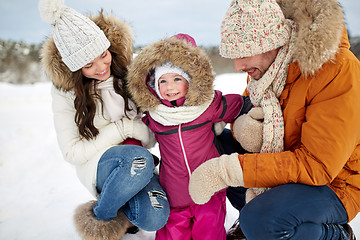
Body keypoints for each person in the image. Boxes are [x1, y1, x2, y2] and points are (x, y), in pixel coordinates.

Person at [189, 0, 360, 239]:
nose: (238, 65)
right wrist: (241, 126)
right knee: (213, 141)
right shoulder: (267, 71)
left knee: (261, 220)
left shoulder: (337, 69)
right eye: (234, 55)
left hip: (334, 184)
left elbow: (317, 166)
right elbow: (248, 117)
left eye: (245, 53)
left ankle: (334, 234)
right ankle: (257, 218)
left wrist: (228, 171)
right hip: (286, 165)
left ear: (273, 42)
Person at [38, 0, 169, 239]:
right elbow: (72, 153)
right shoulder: (65, 93)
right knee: (138, 159)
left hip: (141, 159)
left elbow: (152, 132)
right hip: (99, 164)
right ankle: (102, 214)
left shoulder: (132, 72)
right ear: (76, 68)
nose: (101, 67)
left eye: (103, 55)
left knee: (155, 217)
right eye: (88, 65)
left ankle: (123, 201)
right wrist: (123, 129)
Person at [126, 34, 251, 240]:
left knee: (209, 232)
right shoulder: (156, 116)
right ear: (155, 86)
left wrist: (253, 114)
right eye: (163, 81)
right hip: (175, 192)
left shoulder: (207, 106)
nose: (170, 87)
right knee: (173, 234)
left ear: (190, 82)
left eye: (177, 79)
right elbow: (139, 135)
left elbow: (238, 104)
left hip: (209, 188)